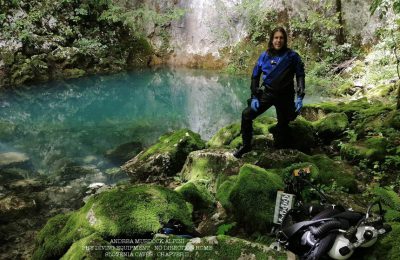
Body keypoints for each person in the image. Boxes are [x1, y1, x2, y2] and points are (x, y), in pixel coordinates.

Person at [233, 27, 305, 158]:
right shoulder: (264, 56)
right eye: (276, 38)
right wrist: (254, 96)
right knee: (246, 114)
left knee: (285, 126)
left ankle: (281, 134)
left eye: (281, 38)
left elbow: (300, 75)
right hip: (268, 94)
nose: (278, 40)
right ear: (272, 40)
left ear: (285, 40)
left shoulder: (292, 56)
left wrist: (300, 97)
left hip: (285, 96)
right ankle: (246, 145)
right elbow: (255, 76)